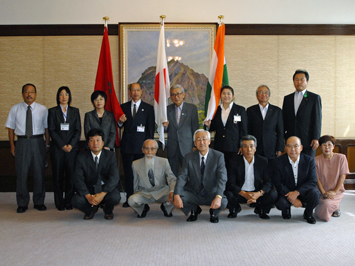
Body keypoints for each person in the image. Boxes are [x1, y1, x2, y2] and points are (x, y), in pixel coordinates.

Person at [5, 83, 50, 213]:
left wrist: (47, 144)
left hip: (38, 142)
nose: (29, 94)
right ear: (23, 94)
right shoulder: (15, 109)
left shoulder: (43, 109)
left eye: (31, 92)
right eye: (26, 92)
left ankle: (39, 202)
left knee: (39, 174)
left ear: (35, 94)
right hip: (22, 143)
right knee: (22, 174)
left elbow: (47, 128)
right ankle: (22, 203)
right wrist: (12, 146)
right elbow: (11, 128)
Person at [174, 129, 228, 223]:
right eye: (198, 140)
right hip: (194, 192)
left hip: (211, 192)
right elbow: (182, 176)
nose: (201, 142)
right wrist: (176, 195)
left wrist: (218, 196)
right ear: (195, 143)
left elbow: (222, 178)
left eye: (204, 139)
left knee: (223, 201)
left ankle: (214, 212)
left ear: (209, 141)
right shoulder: (189, 157)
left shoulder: (218, 156)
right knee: (178, 196)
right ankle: (194, 209)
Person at [118, 83, 155, 207]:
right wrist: (119, 122)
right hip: (127, 146)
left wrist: (148, 148)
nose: (135, 92)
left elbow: (150, 130)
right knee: (129, 174)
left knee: (141, 174)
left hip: (141, 148)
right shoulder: (123, 107)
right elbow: (119, 125)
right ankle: (129, 198)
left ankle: (141, 198)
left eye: (138, 90)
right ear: (129, 92)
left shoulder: (148, 108)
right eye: (133, 90)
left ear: (141, 92)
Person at [72, 129, 121, 220]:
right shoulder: (81, 157)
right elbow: (78, 179)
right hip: (90, 189)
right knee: (76, 201)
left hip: (105, 188)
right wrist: (88, 196)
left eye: (98, 140)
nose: (95, 143)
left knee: (115, 197)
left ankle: (108, 210)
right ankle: (90, 210)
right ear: (88, 143)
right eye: (92, 140)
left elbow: (114, 177)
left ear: (103, 143)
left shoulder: (110, 156)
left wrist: (102, 194)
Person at [225, 135, 277, 220]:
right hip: (240, 193)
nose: (249, 149)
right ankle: (235, 208)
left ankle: (261, 209)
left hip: (256, 193)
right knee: (227, 194)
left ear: (255, 149)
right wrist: (244, 194)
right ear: (241, 149)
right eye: (245, 146)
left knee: (273, 194)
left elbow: (268, 182)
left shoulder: (263, 161)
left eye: (251, 146)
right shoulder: (233, 161)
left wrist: (258, 194)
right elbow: (230, 183)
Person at [272, 136, 320, 224]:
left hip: (303, 191)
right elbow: (278, 183)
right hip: (286, 192)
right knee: (280, 203)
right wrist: (293, 199)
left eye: (296, 146)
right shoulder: (278, 162)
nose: (292, 149)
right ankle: (286, 209)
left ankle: (308, 214)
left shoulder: (309, 160)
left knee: (315, 194)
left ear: (301, 148)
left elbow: (312, 181)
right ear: (285, 148)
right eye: (289, 146)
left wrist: (297, 192)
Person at [48, 86, 81, 211]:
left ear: (69, 97)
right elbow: (52, 130)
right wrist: (62, 145)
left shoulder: (75, 111)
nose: (63, 97)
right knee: (57, 177)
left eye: (66, 94)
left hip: (72, 150)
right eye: (61, 94)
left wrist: (71, 145)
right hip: (57, 149)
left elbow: (78, 130)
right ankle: (59, 202)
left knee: (71, 177)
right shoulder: (52, 111)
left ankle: (68, 201)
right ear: (58, 97)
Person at [128, 139, 176, 218]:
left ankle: (166, 207)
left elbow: (172, 178)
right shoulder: (135, 164)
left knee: (176, 195)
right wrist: (136, 203)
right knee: (131, 200)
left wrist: (172, 191)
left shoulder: (164, 161)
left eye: (152, 149)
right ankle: (143, 208)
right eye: (147, 149)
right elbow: (135, 183)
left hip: (162, 192)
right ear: (143, 150)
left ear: (156, 150)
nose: (149, 152)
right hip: (145, 193)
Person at [204, 85, 247, 167]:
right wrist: (209, 125)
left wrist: (242, 145)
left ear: (233, 96)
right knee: (220, 169)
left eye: (228, 94)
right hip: (219, 146)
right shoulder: (216, 110)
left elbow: (243, 129)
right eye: (224, 93)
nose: (226, 96)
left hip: (234, 147)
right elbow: (215, 127)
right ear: (220, 96)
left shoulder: (240, 110)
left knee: (232, 170)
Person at [282, 69, 322, 157]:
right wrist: (283, 138)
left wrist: (316, 138)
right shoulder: (287, 98)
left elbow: (317, 119)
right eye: (296, 79)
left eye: (302, 79)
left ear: (307, 81)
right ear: (293, 82)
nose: (299, 82)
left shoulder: (314, 98)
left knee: (307, 165)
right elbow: (284, 119)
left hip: (308, 140)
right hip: (290, 140)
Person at [162, 84, 199, 176]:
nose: (176, 97)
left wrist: (195, 145)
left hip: (187, 148)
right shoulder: (167, 109)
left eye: (178, 94)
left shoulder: (192, 108)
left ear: (184, 95)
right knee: (172, 173)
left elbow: (195, 128)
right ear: (170, 96)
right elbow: (165, 130)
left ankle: (188, 190)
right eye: (173, 94)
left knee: (189, 173)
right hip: (172, 147)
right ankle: (173, 190)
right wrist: (165, 126)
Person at [315, 135, 350, 221]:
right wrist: (323, 193)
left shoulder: (341, 158)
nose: (327, 147)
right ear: (320, 147)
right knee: (321, 204)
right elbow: (317, 179)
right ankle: (334, 207)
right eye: (324, 145)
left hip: (336, 191)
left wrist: (334, 191)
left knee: (326, 205)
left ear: (333, 146)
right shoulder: (316, 160)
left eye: (329, 145)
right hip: (321, 191)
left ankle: (334, 206)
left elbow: (343, 176)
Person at [247, 85, 284, 159]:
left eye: (266, 92)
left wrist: (280, 149)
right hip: (255, 148)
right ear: (257, 96)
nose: (263, 94)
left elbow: (280, 131)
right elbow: (248, 130)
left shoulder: (277, 111)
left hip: (272, 147)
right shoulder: (250, 110)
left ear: (269, 95)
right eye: (260, 92)